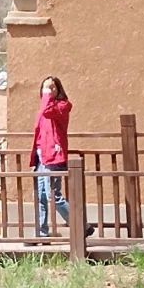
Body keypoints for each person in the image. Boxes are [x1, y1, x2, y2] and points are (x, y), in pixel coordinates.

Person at [31, 76, 95, 240]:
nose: (49, 91)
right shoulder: (43, 106)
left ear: (59, 90)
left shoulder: (63, 106)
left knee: (54, 196)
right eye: (46, 88)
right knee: (41, 197)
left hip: (54, 156)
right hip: (41, 156)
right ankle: (41, 233)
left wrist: (47, 95)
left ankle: (81, 226)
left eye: (53, 88)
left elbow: (48, 112)